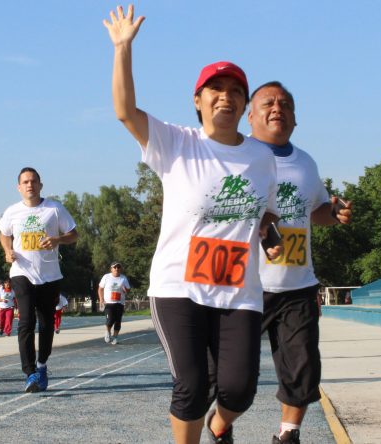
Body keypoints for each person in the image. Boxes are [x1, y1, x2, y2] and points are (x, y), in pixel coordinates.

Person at [105, 6, 282, 443]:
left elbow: (266, 211)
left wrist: (270, 234)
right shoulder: (177, 142)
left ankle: (220, 427)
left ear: (244, 103)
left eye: (235, 90)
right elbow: (126, 111)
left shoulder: (262, 158)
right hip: (177, 287)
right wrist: (122, 49)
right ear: (198, 99)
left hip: (239, 291)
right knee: (192, 385)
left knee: (239, 390)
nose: (225, 96)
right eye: (215, 89)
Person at [247, 81, 352, 443]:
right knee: (232, 378)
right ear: (250, 115)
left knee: (303, 372)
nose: (278, 109)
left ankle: (288, 435)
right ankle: (220, 426)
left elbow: (316, 212)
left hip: (297, 284)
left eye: (286, 104)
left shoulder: (305, 162)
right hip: (246, 286)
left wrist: (333, 212)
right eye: (268, 103)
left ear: (295, 117)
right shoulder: (237, 157)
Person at [0, 166, 79, 393]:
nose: (29, 185)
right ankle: (30, 372)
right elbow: (4, 233)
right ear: (18, 187)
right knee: (25, 322)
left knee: (45, 323)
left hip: (50, 274)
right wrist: (7, 250)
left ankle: (42, 364)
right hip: (21, 272)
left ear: (40, 185)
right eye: (25, 182)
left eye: (33, 181)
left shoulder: (54, 208)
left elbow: (74, 234)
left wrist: (58, 240)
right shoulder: (12, 211)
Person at [97, 262, 131, 345]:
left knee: (118, 321)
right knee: (110, 320)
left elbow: (128, 290)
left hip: (119, 303)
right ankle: (108, 332)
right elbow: (100, 289)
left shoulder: (123, 278)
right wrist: (101, 299)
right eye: (115, 267)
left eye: (118, 267)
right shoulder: (106, 277)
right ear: (111, 269)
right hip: (108, 303)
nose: (116, 269)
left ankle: (115, 337)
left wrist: (125, 289)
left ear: (120, 269)